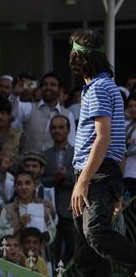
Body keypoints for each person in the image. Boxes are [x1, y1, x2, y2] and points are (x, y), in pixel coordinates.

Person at [69, 29, 136, 276]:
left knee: (94, 233)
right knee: (85, 254)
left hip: (94, 173)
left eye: (74, 52)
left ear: (83, 59)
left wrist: (84, 181)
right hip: (96, 173)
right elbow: (117, 144)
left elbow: (104, 139)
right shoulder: (106, 87)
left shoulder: (98, 88)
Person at [42, 115, 75, 267]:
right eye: (54, 128)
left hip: (71, 210)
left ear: (68, 130)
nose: (57, 131)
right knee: (51, 251)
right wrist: (55, 178)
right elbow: (40, 181)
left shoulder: (78, 153)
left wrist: (66, 176)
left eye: (61, 127)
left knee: (73, 251)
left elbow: (84, 179)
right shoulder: (45, 155)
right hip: (50, 211)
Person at [0, 170, 56, 242]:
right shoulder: (8, 210)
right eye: (19, 184)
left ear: (35, 186)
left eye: (27, 183)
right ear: (15, 187)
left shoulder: (42, 208)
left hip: (38, 252)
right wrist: (18, 226)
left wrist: (44, 231)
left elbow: (52, 233)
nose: (23, 187)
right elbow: (0, 237)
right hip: (15, 252)